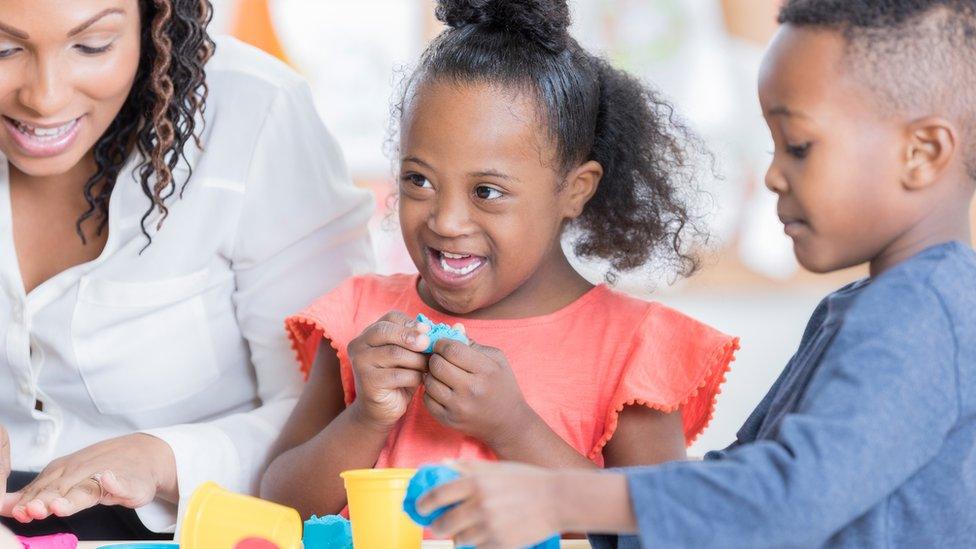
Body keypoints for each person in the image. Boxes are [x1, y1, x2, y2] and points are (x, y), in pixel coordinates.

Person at [416, 1, 976, 547]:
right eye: (774, 147)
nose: (774, 176)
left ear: (922, 152)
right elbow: (740, 483)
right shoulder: (878, 306)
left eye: (799, 147)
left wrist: (561, 498)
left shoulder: (921, 315)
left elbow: (785, 498)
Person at [260, 0, 738, 522]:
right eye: (418, 180)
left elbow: (657, 526)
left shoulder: (632, 350)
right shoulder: (361, 321)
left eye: (487, 191)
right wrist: (365, 418)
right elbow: (276, 504)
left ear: (574, 190)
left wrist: (512, 427)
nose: (445, 220)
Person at [0, 0, 372, 539]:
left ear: (154, 23)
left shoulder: (253, 115)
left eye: (93, 45)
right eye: (4, 48)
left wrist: (163, 458)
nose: (45, 96)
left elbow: (335, 410)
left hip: (197, 527)